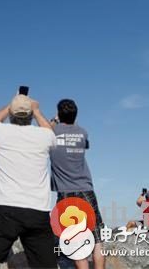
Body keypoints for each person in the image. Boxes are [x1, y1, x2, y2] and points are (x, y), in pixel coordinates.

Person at [0, 94, 57, 269]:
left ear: (10, 114)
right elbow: (48, 128)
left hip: (8, 211)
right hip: (38, 212)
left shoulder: (1, 132)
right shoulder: (44, 136)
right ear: (31, 116)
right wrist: (37, 110)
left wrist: (10, 105)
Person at [49, 99, 105, 269]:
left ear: (59, 113)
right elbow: (83, 142)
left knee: (76, 242)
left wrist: (55, 120)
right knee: (97, 240)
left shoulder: (51, 132)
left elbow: (46, 128)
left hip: (65, 193)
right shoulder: (83, 133)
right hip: (86, 190)